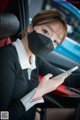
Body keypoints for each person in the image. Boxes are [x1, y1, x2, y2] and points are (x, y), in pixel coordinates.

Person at [0, 10, 68, 120]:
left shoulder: (35, 58)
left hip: (33, 114)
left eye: (56, 41)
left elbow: (66, 76)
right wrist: (39, 92)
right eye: (45, 31)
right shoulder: (6, 58)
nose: (48, 41)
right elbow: (3, 117)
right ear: (30, 28)